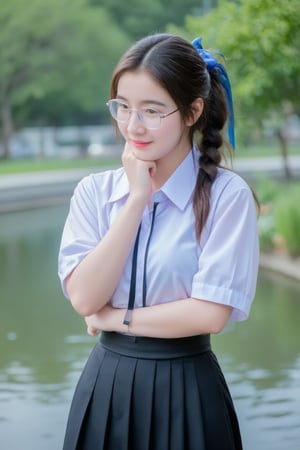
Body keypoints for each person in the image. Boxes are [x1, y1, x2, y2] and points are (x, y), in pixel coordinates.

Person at [58, 33, 259, 450]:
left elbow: (209, 314)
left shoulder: (226, 196)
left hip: (188, 389)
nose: (132, 126)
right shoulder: (95, 193)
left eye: (151, 110)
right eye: (123, 107)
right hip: (106, 388)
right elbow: (83, 298)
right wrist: (135, 201)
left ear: (192, 111)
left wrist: (114, 318)